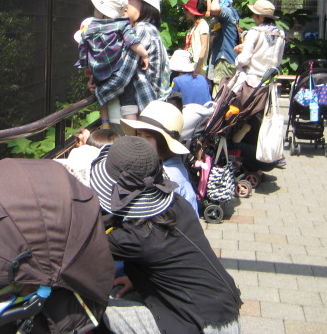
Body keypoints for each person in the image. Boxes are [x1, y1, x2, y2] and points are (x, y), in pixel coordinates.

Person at [90, 136, 242, 334]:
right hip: (223, 307)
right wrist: (138, 279)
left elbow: (83, 246)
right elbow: (172, 258)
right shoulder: (177, 203)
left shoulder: (135, 237)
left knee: (96, 310)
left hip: (200, 324)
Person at [92, 0, 170, 120]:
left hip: (138, 114)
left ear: (144, 3)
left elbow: (122, 76)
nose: (125, 4)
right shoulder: (149, 30)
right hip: (145, 113)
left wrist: (99, 91)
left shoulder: (142, 30)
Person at [76, 0, 149, 127]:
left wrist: (86, 68)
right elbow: (132, 42)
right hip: (118, 69)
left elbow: (83, 51)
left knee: (101, 97)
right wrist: (144, 55)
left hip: (98, 72)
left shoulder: (89, 29)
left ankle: (105, 123)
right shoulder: (122, 25)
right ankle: (132, 126)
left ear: (101, 10)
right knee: (128, 99)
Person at [121, 101, 199, 215]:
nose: (141, 141)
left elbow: (189, 217)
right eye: (138, 134)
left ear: (164, 143)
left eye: (148, 136)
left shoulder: (171, 178)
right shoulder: (155, 165)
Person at [234, 0, 285, 87]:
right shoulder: (281, 34)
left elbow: (243, 60)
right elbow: (278, 61)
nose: (253, 17)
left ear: (261, 17)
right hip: (270, 84)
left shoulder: (254, 32)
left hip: (252, 84)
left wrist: (238, 58)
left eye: (255, 14)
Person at [207, 0, 240, 97]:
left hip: (224, 59)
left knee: (220, 90)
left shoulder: (227, 13)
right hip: (228, 58)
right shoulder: (231, 15)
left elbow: (214, 9)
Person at [182, 0, 210, 77]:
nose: (185, 12)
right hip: (191, 63)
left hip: (198, 65)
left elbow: (204, 46)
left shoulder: (203, 24)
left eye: (186, 10)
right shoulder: (194, 26)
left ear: (192, 12)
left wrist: (198, 67)